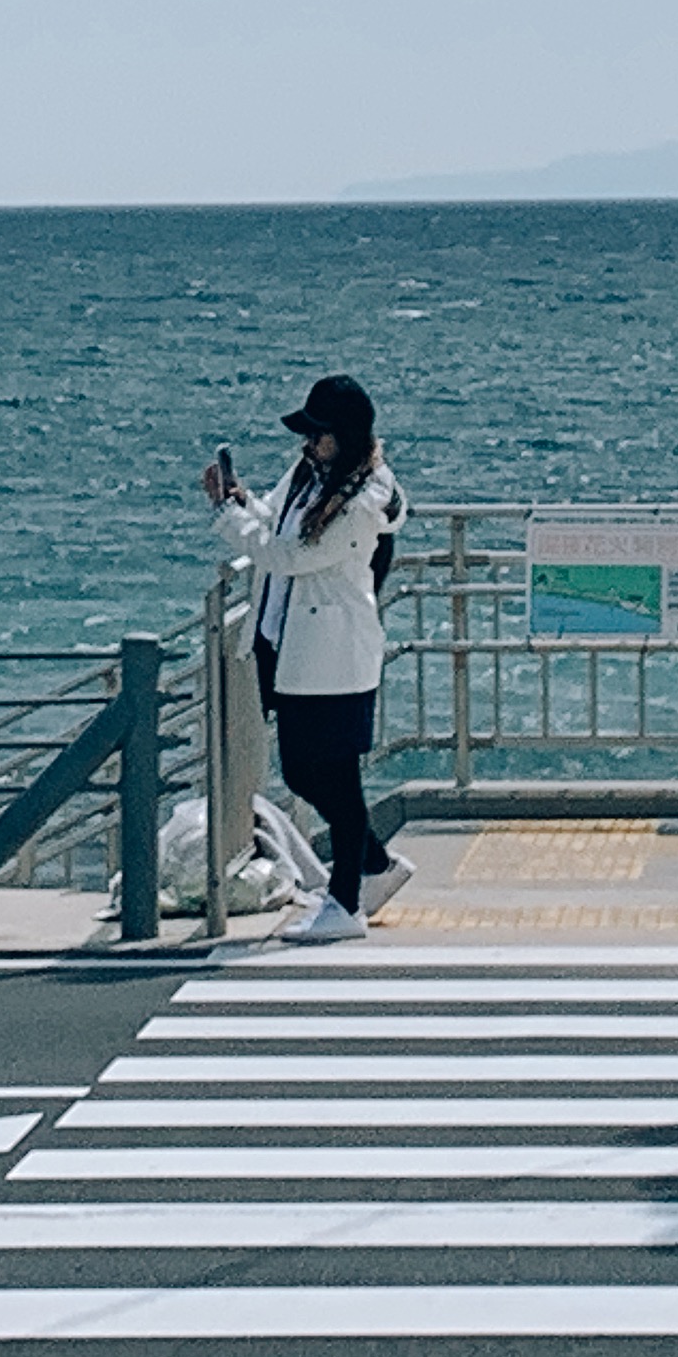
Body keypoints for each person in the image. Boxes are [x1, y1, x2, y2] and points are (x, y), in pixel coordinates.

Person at [206, 375, 411, 944]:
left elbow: (290, 556)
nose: (307, 443)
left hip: (334, 654)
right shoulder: (309, 475)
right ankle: (371, 866)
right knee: (301, 770)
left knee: (335, 777)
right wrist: (241, 500)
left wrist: (229, 521)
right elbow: (274, 519)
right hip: (290, 643)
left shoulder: (364, 501)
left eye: (317, 434)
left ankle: (346, 902)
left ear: (342, 436)